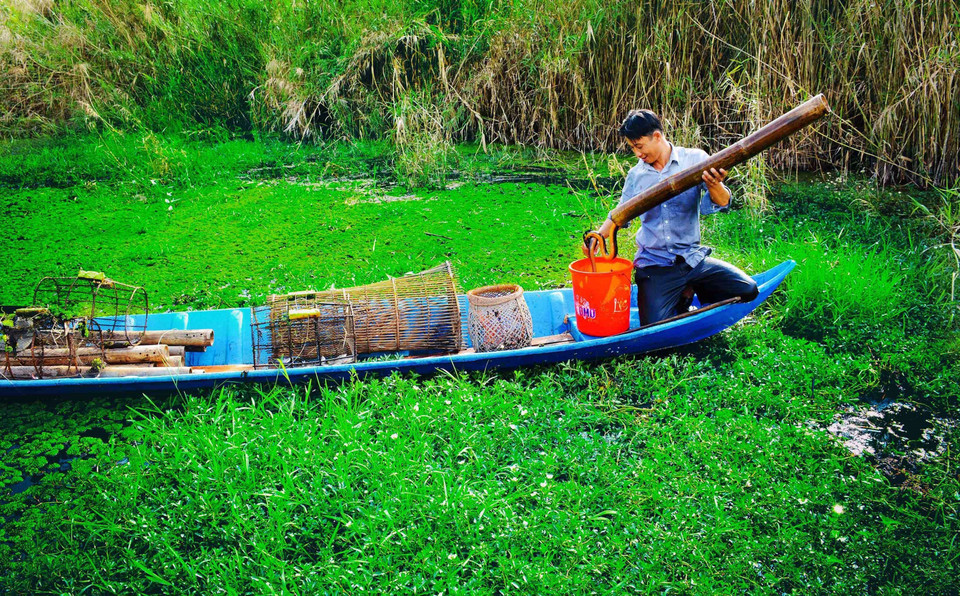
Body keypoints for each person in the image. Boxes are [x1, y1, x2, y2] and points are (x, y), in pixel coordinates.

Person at [593, 109, 758, 325]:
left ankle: (693, 287)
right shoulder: (636, 176)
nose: (637, 154)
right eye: (632, 148)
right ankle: (683, 295)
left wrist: (714, 184)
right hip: (654, 265)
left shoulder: (696, 159)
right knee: (654, 328)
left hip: (691, 258)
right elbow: (619, 216)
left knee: (748, 289)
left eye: (639, 146)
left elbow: (723, 201)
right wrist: (599, 236)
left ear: (658, 137)